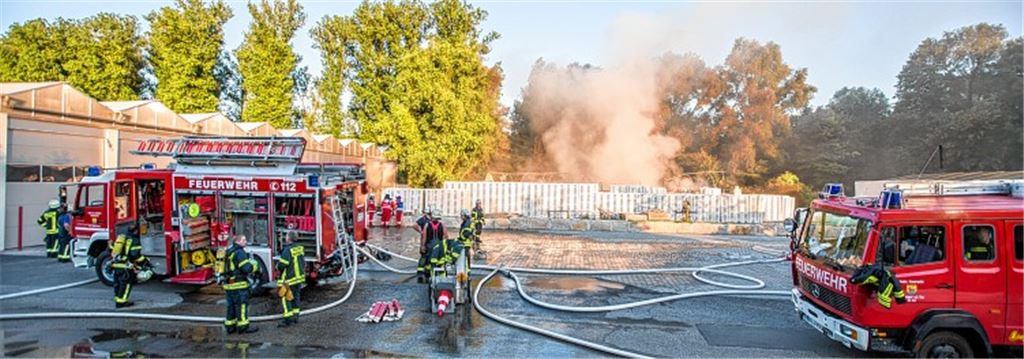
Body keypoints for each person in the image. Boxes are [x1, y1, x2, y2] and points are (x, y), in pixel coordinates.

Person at [224, 234, 259, 334]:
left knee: (231, 306)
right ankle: (243, 327)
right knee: (241, 305)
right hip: (238, 284)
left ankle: (230, 327)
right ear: (237, 242)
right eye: (243, 240)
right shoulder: (240, 252)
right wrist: (255, 265)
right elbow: (246, 268)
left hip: (229, 284)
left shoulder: (229, 251)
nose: (246, 242)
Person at [112, 224, 147, 308]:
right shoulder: (134, 240)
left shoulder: (122, 237)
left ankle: (117, 298)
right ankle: (122, 302)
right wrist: (145, 261)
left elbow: (112, 248)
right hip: (126, 266)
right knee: (126, 284)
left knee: (118, 283)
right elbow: (135, 255)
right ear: (135, 231)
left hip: (117, 265)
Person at [276, 231, 305, 327]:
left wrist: (277, 266)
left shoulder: (287, 250)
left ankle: (288, 319)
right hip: (298, 278)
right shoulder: (300, 248)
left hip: (288, 279)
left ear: (288, 239)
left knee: (286, 298)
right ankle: (295, 316)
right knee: (296, 297)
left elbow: (282, 265)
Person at [418, 208, 445, 283]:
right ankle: (439, 277)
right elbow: (445, 236)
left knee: (429, 262)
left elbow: (424, 236)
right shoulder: (442, 225)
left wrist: (423, 246)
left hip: (430, 245)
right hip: (439, 246)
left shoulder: (427, 225)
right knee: (439, 262)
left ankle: (428, 277)